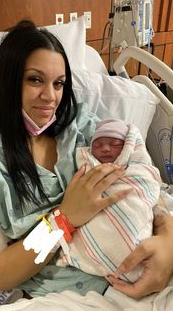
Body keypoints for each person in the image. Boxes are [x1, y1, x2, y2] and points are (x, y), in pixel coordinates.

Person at [0, 20, 173, 306]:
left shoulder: (85, 129)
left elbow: (142, 180)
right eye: (35, 79)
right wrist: (63, 220)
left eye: (59, 83)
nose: (51, 96)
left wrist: (168, 239)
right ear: (9, 82)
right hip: (74, 294)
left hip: (145, 256)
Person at [55, 118, 163, 283]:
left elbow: (150, 189)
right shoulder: (85, 166)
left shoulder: (137, 171)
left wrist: (167, 233)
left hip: (138, 224)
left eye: (115, 144)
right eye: (97, 145)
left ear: (128, 147)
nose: (105, 148)